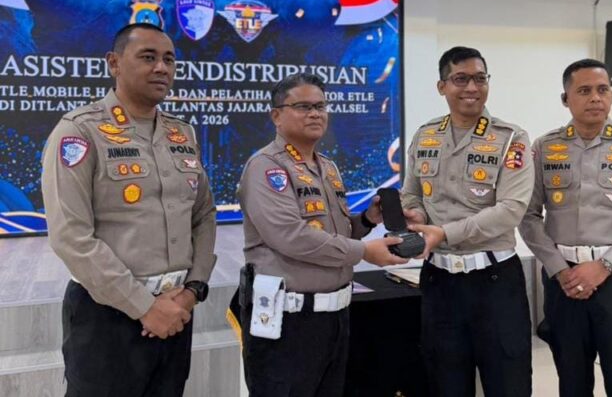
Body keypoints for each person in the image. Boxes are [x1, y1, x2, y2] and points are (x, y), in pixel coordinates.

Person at [41, 22, 217, 396]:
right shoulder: (80, 131)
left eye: (169, 59)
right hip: (107, 316)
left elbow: (203, 214)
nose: (162, 68)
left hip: (176, 311)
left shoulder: (182, 134)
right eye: (148, 57)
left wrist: (192, 290)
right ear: (114, 63)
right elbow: (71, 236)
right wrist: (143, 306)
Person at [236, 72, 407, 396]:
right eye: (303, 106)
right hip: (288, 322)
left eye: (320, 106)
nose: (315, 114)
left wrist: (367, 219)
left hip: (334, 319)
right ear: (276, 115)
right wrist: (365, 252)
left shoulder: (327, 167)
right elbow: (291, 237)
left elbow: (336, 231)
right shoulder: (266, 167)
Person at [519, 58, 612, 397]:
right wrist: (560, 270)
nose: (595, 98)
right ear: (566, 99)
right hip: (563, 281)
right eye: (584, 91)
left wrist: (604, 266)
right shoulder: (544, 148)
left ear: (611, 96)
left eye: (603, 90)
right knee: (572, 381)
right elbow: (527, 216)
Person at [401, 46, 535, 397]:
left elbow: (511, 209)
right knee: (445, 384)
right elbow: (411, 194)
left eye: (480, 78)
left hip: (495, 283)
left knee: (508, 385)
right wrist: (415, 216)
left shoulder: (511, 138)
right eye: (461, 79)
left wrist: (444, 233)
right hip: (439, 281)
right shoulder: (425, 135)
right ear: (442, 86)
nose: (472, 87)